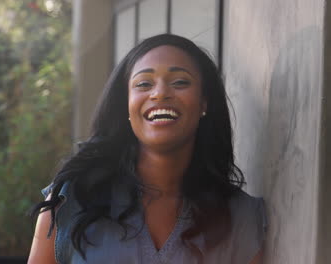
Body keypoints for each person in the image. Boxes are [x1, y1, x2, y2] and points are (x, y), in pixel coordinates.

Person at [28, 34, 267, 264]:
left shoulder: (240, 217)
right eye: (144, 83)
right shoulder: (71, 199)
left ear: (204, 102)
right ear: (126, 105)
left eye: (180, 82)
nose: (160, 93)